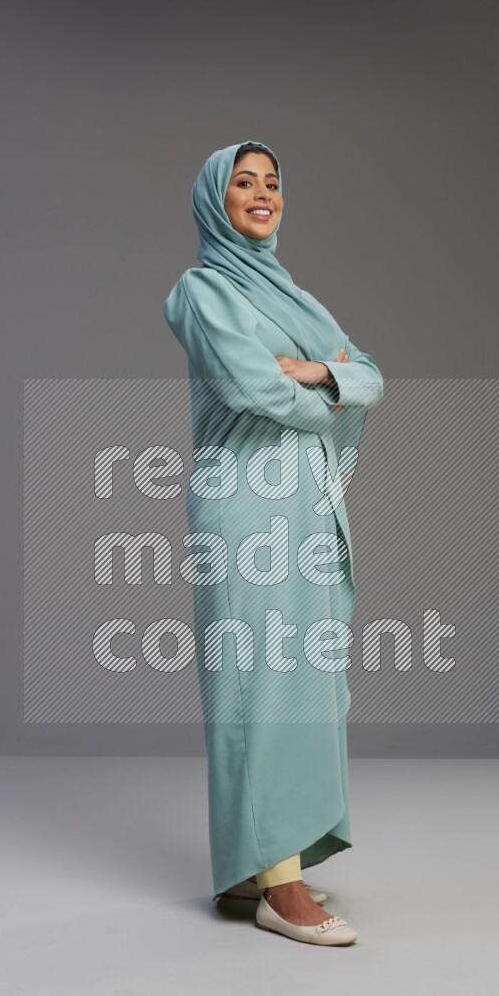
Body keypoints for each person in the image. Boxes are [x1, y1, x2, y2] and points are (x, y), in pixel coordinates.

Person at [164, 140, 384, 946]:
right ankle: (280, 891)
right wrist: (325, 388)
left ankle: (250, 868)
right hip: (245, 505)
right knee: (257, 684)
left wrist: (317, 371)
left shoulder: (295, 296)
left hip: (307, 504)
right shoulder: (202, 291)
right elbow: (247, 385)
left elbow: (371, 375)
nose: (262, 195)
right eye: (244, 183)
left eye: (272, 183)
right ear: (214, 201)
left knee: (304, 679)